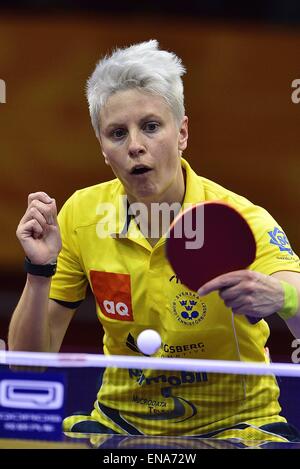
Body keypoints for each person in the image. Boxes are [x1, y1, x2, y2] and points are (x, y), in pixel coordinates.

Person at [8, 39, 300, 442]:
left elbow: (295, 298)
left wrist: (281, 298)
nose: (135, 146)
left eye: (150, 126)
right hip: (117, 423)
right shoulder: (79, 216)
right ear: (103, 149)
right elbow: (28, 368)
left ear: (181, 133)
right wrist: (39, 271)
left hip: (238, 426)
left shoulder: (242, 219)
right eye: (116, 133)